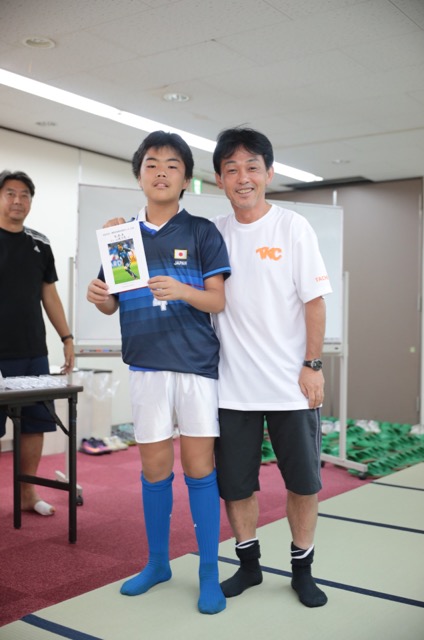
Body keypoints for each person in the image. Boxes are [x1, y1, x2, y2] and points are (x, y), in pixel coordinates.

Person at [86, 131, 230, 615]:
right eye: (151, 164)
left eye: (172, 165)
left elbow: (217, 300)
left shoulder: (202, 232)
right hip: (146, 365)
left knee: (200, 469)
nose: (161, 172)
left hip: (195, 366)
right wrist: (100, 298)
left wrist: (182, 290)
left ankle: (208, 571)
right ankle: (157, 563)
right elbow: (112, 303)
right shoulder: (120, 236)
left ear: (186, 179)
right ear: (139, 175)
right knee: (153, 470)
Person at [211, 127, 332, 608]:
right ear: (219, 179)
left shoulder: (292, 227)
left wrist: (312, 365)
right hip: (231, 387)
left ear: (269, 173)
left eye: (252, 167)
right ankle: (249, 566)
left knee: (303, 483)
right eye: (232, 169)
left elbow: (315, 302)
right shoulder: (213, 233)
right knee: (236, 485)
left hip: (290, 386)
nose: (243, 177)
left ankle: (302, 570)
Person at [0, 170, 75, 516]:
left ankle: (27, 494)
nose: (18, 201)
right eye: (10, 193)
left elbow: (49, 294)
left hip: (33, 351)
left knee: (34, 425)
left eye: (25, 195)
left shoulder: (40, 243)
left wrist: (67, 338)